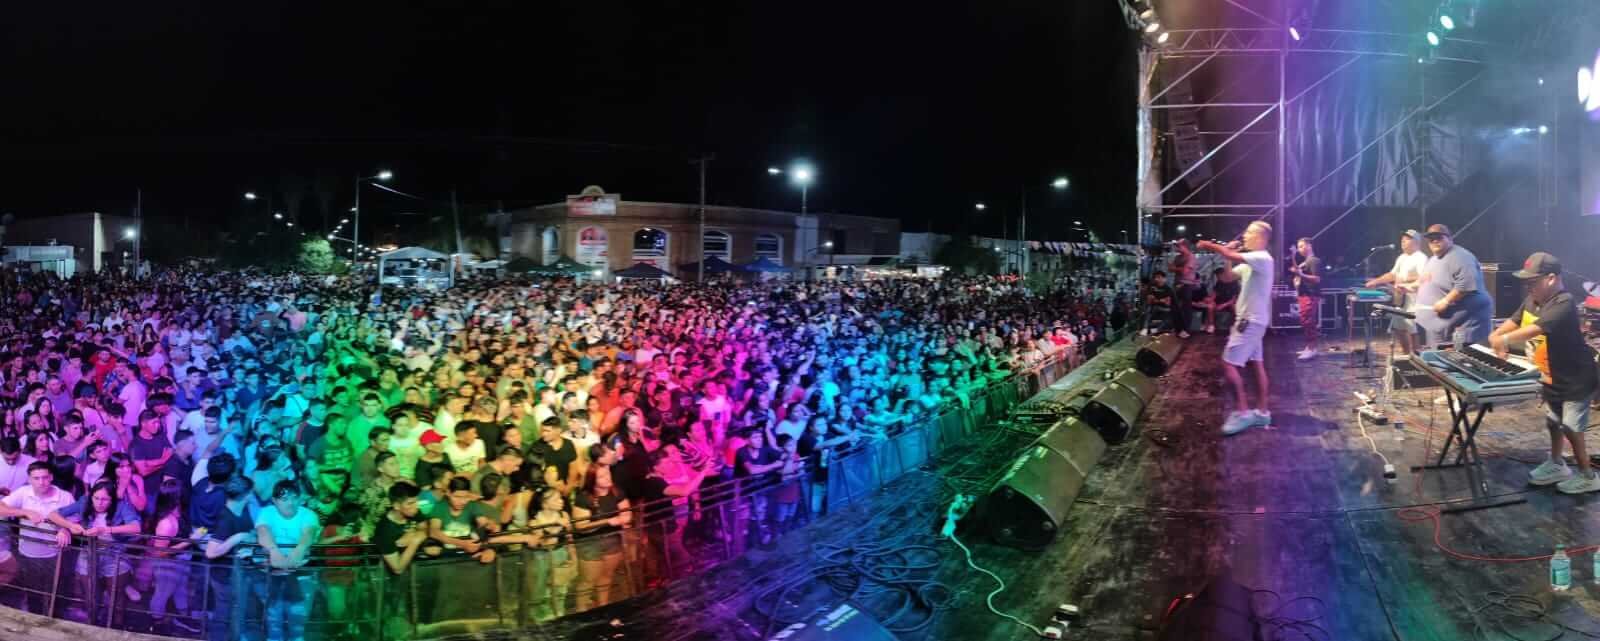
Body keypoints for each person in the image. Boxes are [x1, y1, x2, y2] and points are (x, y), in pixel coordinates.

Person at [1489, 253, 1600, 494]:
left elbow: (1535, 329)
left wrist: (1503, 340)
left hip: (1575, 378)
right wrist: (1495, 336)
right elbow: (1515, 320)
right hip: (1551, 375)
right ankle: (1557, 464)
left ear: (1551, 278)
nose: (1528, 287)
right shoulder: (1532, 300)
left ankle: (1588, 475)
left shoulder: (1564, 301)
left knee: (1571, 426)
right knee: (1553, 422)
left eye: (1533, 282)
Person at [1197, 221, 1275, 436]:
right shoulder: (1252, 261)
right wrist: (1227, 254)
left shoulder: (1262, 257)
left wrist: (1209, 245)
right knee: (1256, 364)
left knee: (1228, 363)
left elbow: (1231, 257)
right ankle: (1262, 412)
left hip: (1250, 321)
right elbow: (1228, 277)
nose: (1245, 236)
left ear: (1261, 237)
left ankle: (1242, 413)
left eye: (1249, 233)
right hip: (1255, 320)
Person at [0, 461, 75, 614]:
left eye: (45, 477)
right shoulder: (23, 492)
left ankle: (54, 619)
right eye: (36, 478)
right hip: (27, 553)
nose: (41, 482)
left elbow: (77, 519)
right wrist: (24, 512)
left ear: (51, 477)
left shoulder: (65, 496)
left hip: (56, 554)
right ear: (29, 479)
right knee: (33, 591)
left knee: (56, 591)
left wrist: (66, 529)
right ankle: (35, 620)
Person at [254, 480, 320, 641]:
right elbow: (263, 532)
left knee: (298, 618)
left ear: (300, 498)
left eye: (294, 498)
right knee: (273, 618)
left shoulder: (308, 514)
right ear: (275, 501)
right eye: (284, 499)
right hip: (271, 574)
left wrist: (298, 551)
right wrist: (274, 551)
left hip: (301, 575)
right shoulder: (267, 512)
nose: (290, 503)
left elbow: (308, 535)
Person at [1416, 224, 1493, 347]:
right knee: (1438, 360)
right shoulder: (1434, 259)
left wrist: (1446, 301)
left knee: (1463, 360)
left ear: (1450, 239)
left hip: (1465, 324)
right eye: (1431, 238)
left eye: (1439, 237)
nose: (1434, 241)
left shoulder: (1460, 256)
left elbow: (1466, 284)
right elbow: (1426, 280)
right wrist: (1410, 286)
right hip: (1439, 326)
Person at [1363, 230, 1428, 356]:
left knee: (1413, 331)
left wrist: (1404, 281)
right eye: (1402, 239)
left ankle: (1418, 359)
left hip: (1414, 301)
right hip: (1400, 300)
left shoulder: (1421, 258)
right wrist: (1376, 281)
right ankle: (1406, 355)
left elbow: (1424, 279)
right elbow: (1392, 274)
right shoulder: (1402, 258)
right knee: (1399, 329)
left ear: (1416, 242)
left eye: (1407, 239)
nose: (1403, 241)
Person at [1290, 237, 1323, 361]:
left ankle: (1312, 348)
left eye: (1301, 246)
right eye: (1298, 247)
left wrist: (1300, 275)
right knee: (1305, 321)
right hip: (1304, 294)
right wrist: (1293, 257)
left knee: (1308, 321)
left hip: (1311, 294)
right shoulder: (1305, 262)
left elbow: (1317, 279)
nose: (1300, 249)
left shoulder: (1314, 261)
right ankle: (1309, 347)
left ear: (1309, 245)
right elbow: (1298, 272)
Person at [1194, 266, 1238, 335]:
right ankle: (1211, 325)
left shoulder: (1234, 282)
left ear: (1224, 274)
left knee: (1234, 307)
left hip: (1229, 303)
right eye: (1217, 276)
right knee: (1210, 306)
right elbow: (1214, 294)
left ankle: (1234, 325)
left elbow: (1234, 299)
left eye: (1219, 275)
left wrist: (1223, 305)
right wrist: (1208, 300)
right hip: (1219, 302)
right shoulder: (1219, 282)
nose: (1218, 277)